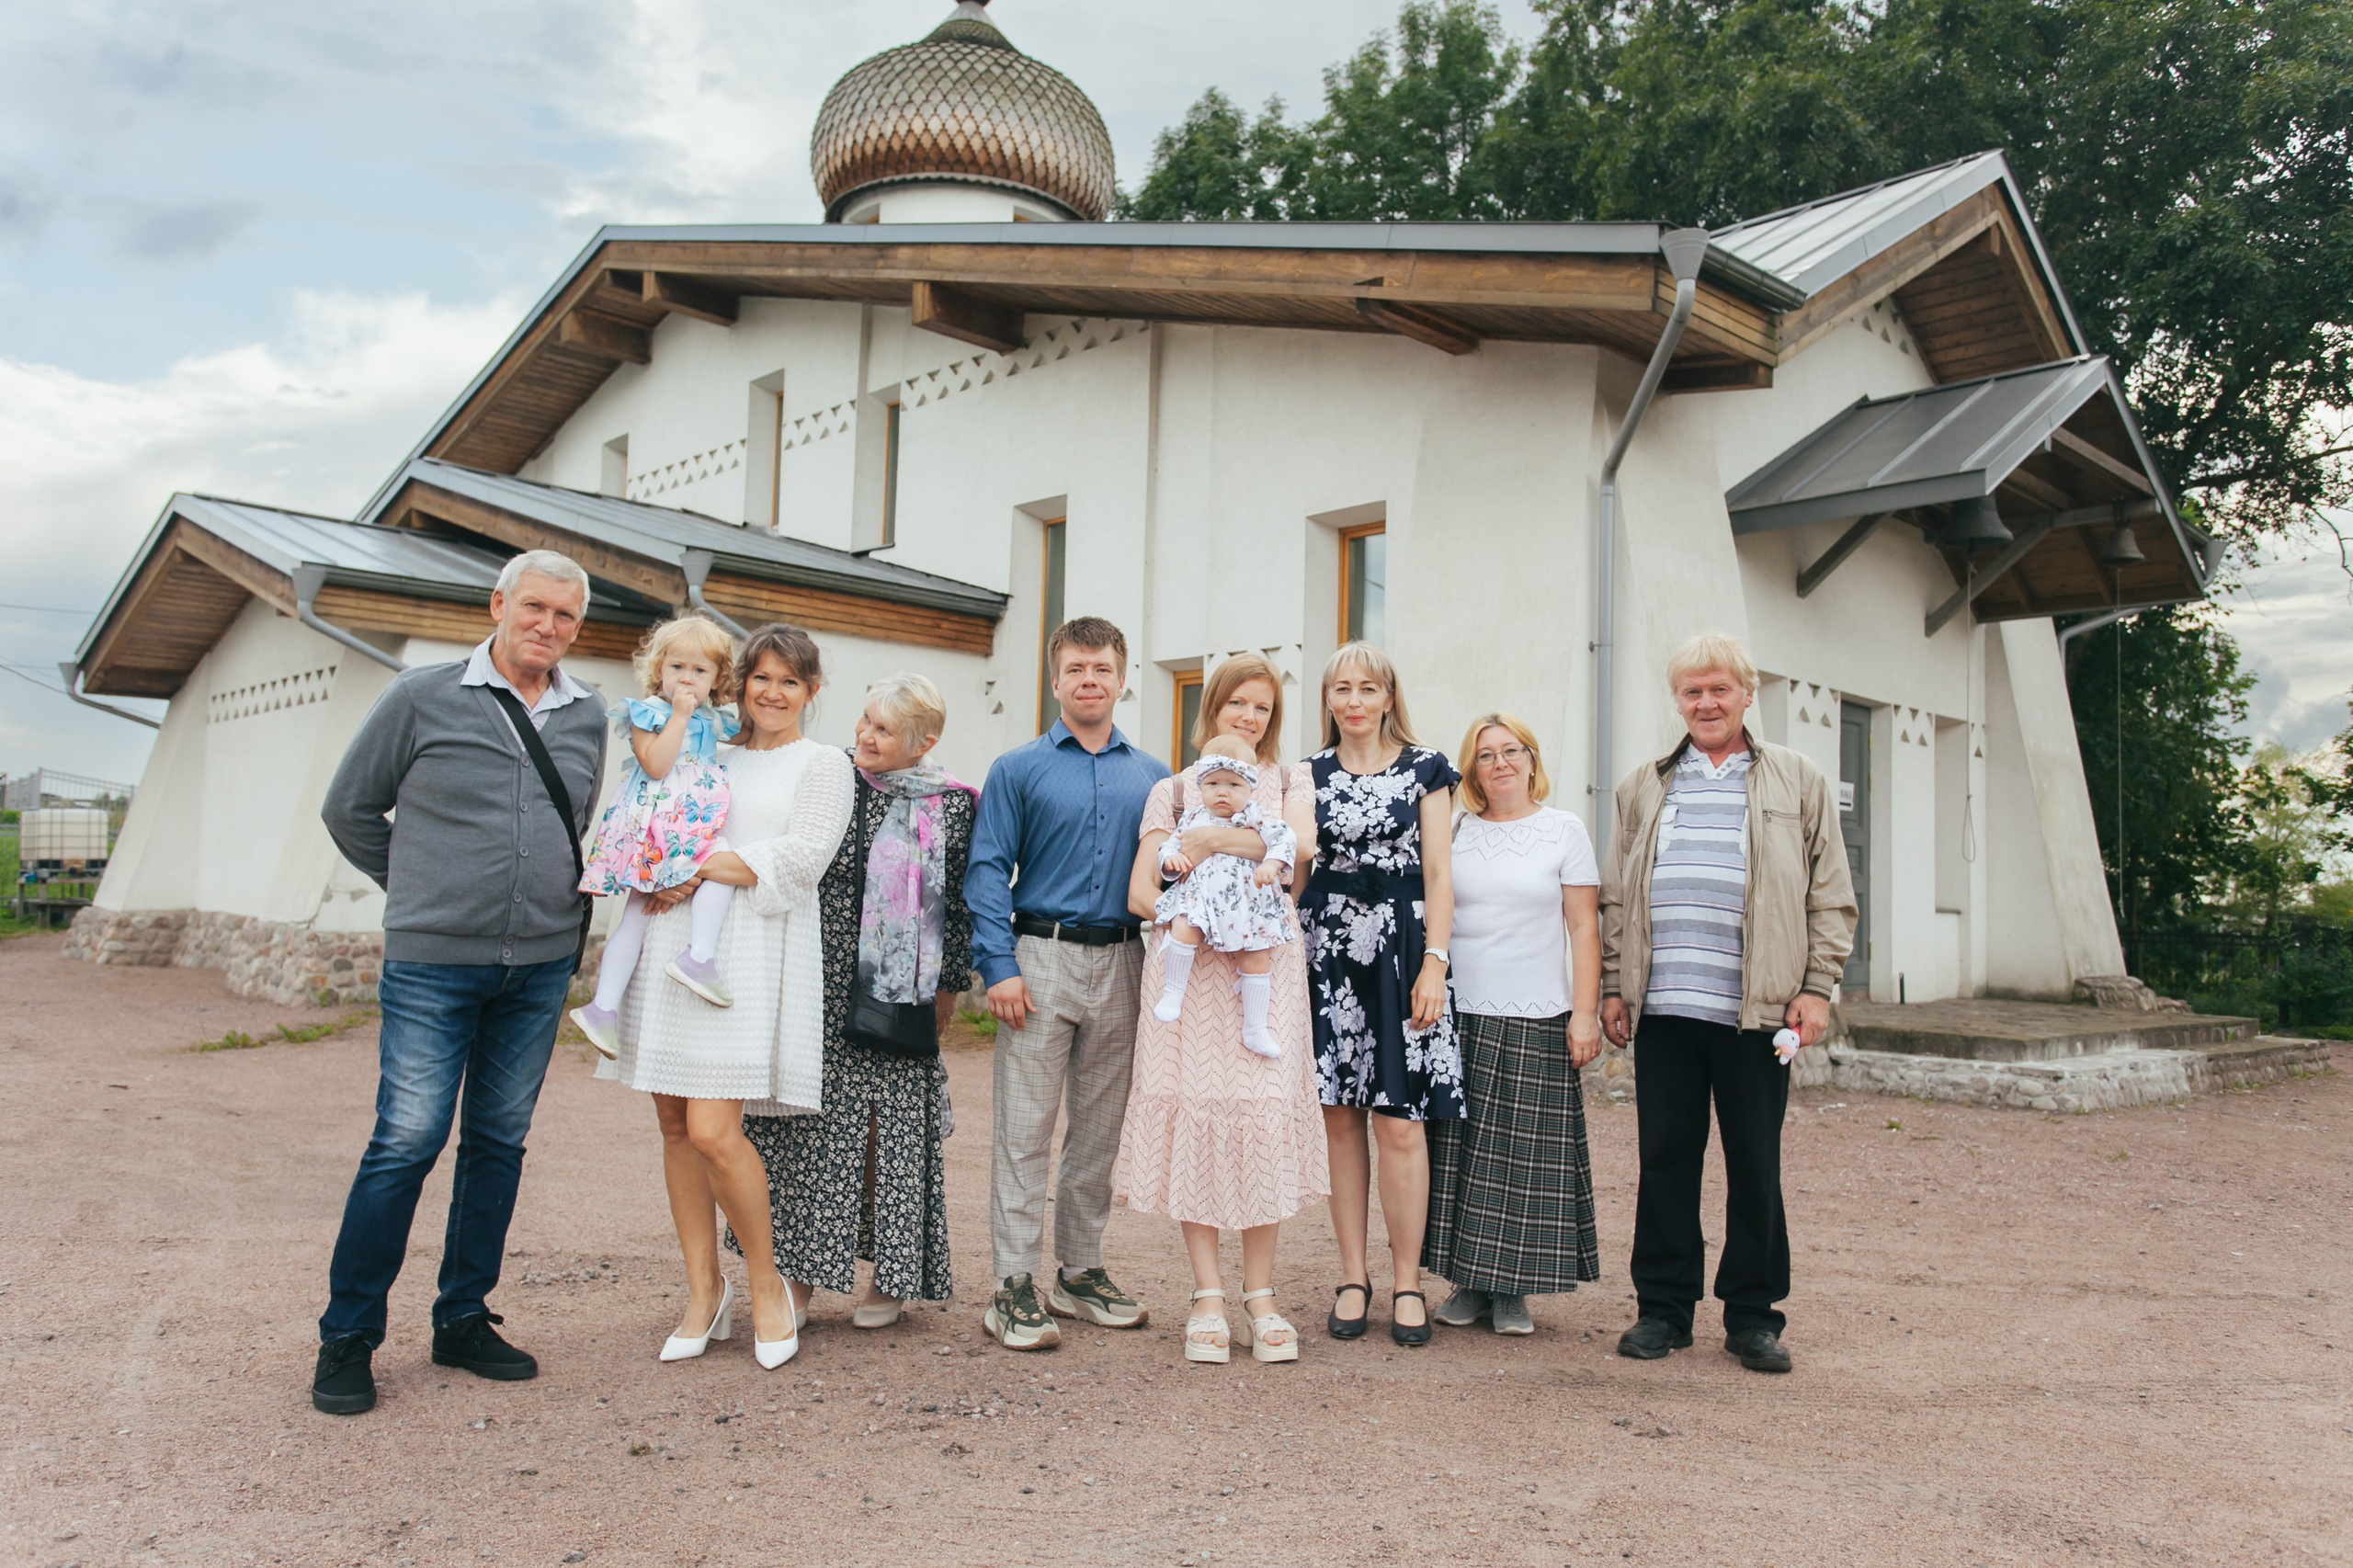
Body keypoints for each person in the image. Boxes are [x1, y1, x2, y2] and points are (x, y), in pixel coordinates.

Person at [311, 549, 606, 1415]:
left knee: (497, 1145)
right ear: (499, 606)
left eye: (566, 616)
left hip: (541, 964)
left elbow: (577, 822)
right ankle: (348, 1336)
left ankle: (462, 1317)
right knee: (406, 1141)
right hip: (433, 964)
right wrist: (421, 890)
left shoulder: (589, 715)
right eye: (535, 609)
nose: (548, 627)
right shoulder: (421, 696)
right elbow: (349, 809)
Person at [596, 622, 853, 1370]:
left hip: (744, 955)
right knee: (674, 1124)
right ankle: (703, 1294)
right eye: (760, 678)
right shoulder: (709, 745)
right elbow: (648, 807)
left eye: (790, 681)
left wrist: (696, 865)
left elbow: (804, 856)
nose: (772, 693)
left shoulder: (822, 764)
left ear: (810, 691)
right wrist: (657, 865)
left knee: (714, 1129)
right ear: (739, 683)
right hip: (668, 936)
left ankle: (766, 1284)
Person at [1598, 632, 1856, 1375]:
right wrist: (1616, 985)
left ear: (1748, 695)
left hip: (1760, 1011)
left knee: (1754, 1161)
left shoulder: (1797, 780)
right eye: (1691, 692)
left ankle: (1752, 1316)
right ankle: (1664, 1310)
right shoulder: (1644, 785)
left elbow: (1830, 896)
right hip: (1668, 1007)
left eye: (1719, 690)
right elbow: (1617, 896)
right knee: (1666, 1160)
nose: (1705, 703)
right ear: (1677, 701)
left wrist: (1816, 987)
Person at [739, 673, 975, 1330]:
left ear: (923, 741)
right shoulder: (828, 776)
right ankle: (802, 1275)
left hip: (903, 987)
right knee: (812, 1131)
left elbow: (954, 904)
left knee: (889, 1134)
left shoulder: (952, 803)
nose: (866, 736)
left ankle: (891, 1274)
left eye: (884, 729)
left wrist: (949, 989)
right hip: (819, 975)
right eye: (865, 721)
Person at [965, 617, 1168, 1351]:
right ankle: (1011, 1286)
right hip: (1038, 958)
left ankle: (1079, 1272)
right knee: (1024, 1130)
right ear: (1056, 682)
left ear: (1121, 679)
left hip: (1123, 959)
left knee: (1098, 1132)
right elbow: (988, 870)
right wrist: (999, 966)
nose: (1090, 680)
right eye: (1076, 668)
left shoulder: (1153, 777)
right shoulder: (1017, 769)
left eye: (1102, 669)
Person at [1119, 653, 1326, 1365]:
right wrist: (1199, 871)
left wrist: (1208, 842)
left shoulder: (1290, 778)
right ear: (1212, 707)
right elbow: (1145, 887)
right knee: (1198, 1115)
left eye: (1263, 707)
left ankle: (1261, 1295)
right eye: (1239, 703)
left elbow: (1296, 853)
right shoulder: (1172, 788)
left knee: (1262, 1120)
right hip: (1193, 971)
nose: (1250, 716)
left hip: (1263, 967)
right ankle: (1207, 1293)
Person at [1300, 642, 1461, 1347]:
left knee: (1400, 1122)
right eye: (1342, 688)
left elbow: (1440, 874)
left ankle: (1406, 1282)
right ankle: (1351, 1276)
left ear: (1389, 697)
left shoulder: (1427, 768)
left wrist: (1436, 962)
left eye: (1368, 688)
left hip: (1402, 952)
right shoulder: (1306, 774)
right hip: (1326, 950)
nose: (1355, 700)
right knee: (1338, 1118)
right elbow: (1295, 868)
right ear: (1329, 699)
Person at [1425, 714, 1604, 1336]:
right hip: (1462, 1010)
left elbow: (1584, 927)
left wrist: (1585, 1012)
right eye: (1484, 755)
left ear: (1531, 759)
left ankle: (1512, 1291)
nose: (1499, 763)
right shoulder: (1456, 830)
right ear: (1471, 770)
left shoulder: (1564, 830)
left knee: (1525, 1158)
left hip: (1538, 1012)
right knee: (1463, 1155)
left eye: (1510, 752)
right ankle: (1467, 1282)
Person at [571, 616, 742, 1056]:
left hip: (689, 818)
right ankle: (698, 957)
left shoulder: (712, 717)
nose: (687, 678)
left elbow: (750, 733)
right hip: (660, 821)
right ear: (658, 670)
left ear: (717, 678)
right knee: (718, 859)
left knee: (641, 911)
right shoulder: (650, 712)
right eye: (677, 668)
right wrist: (681, 716)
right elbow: (657, 765)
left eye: (700, 671)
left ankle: (603, 1008)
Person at [1150, 734, 1298, 1058]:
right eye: (1213, 783)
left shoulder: (1254, 816)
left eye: (1234, 785)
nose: (1222, 792)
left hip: (1248, 902)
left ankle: (1255, 1028)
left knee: (1257, 958)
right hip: (1202, 898)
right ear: (1200, 786)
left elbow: (1285, 838)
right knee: (1184, 926)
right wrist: (1170, 861)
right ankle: (1173, 991)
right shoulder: (1191, 817)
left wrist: (1271, 864)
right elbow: (1170, 845)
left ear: (1249, 789)